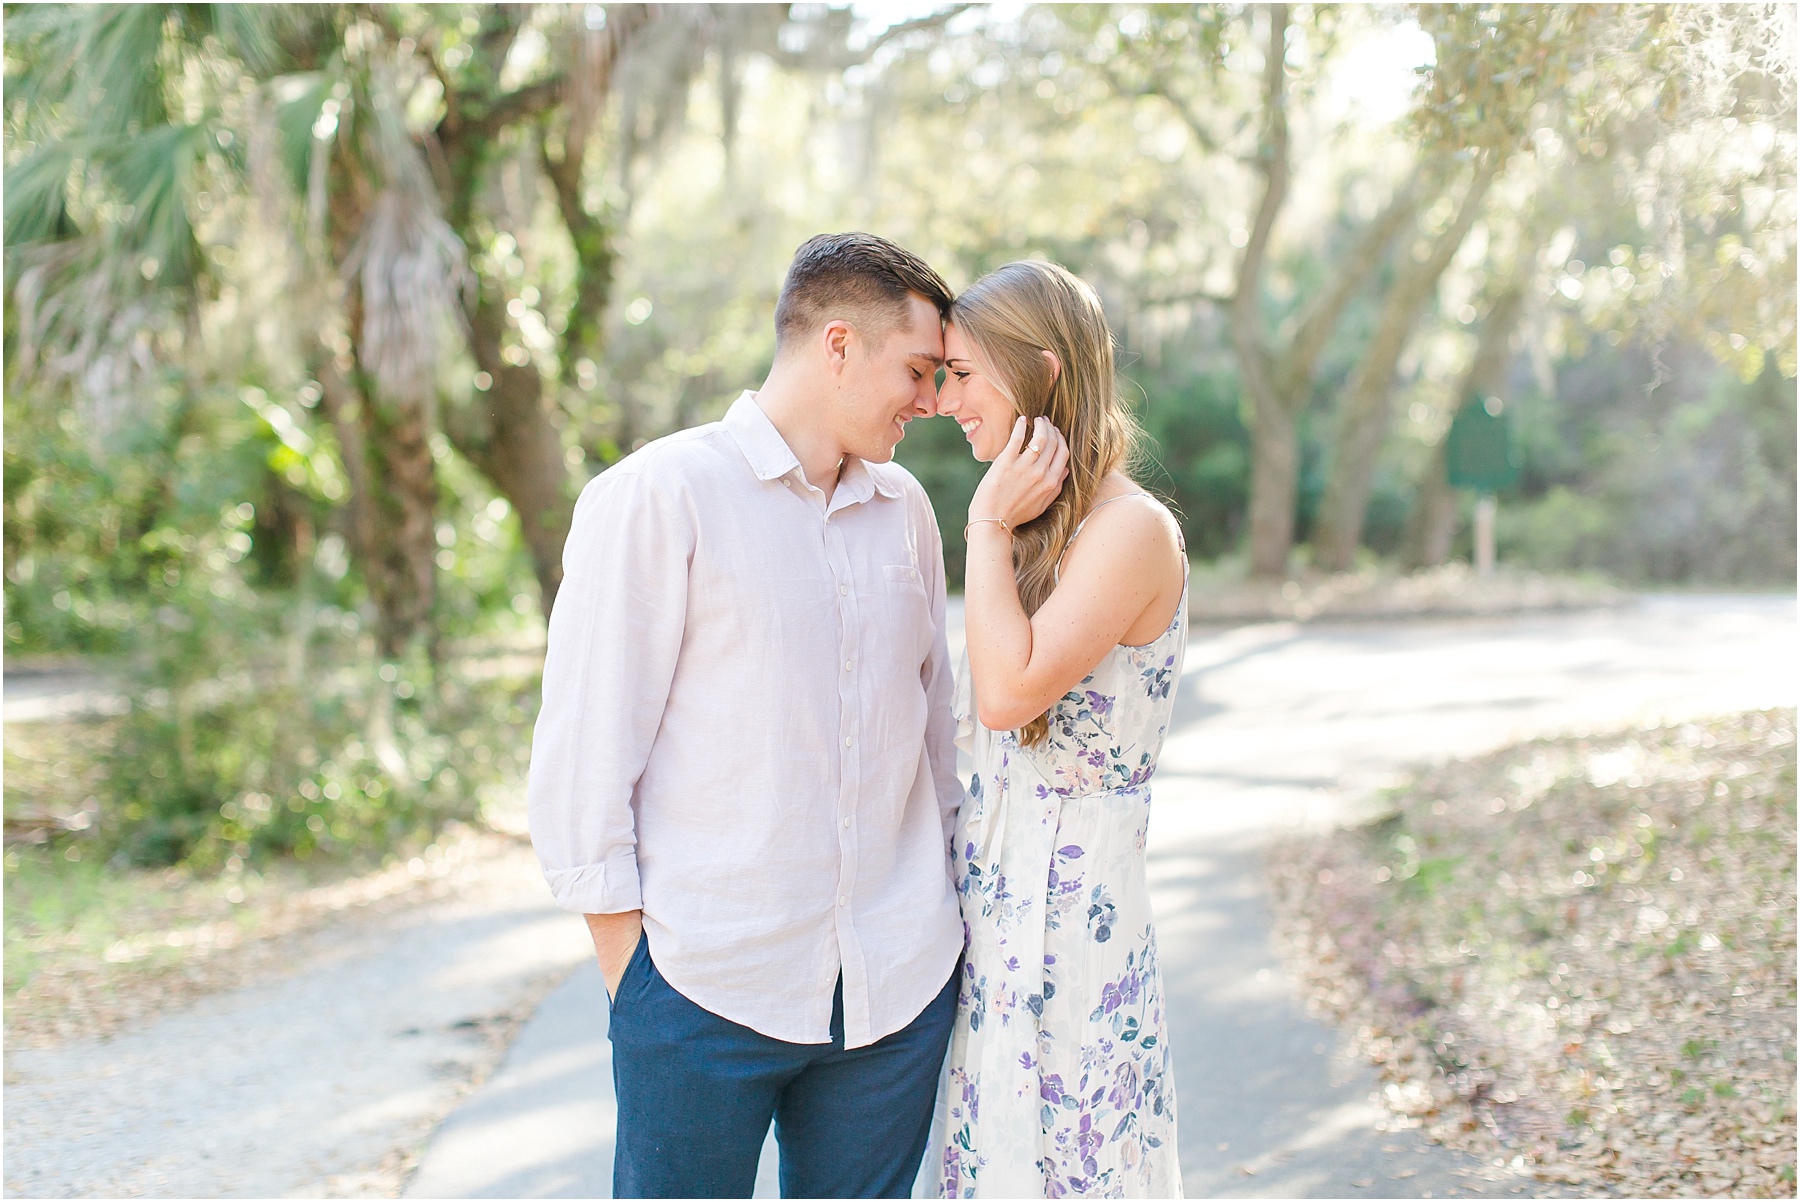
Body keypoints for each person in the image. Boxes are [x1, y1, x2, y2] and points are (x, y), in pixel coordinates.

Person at [526, 232, 966, 1198]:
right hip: (701, 987)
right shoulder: (656, 496)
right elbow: (587, 754)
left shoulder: (908, 511)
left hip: (895, 989)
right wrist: (633, 978)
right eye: (920, 371)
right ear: (838, 344)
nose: (933, 402)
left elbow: (936, 738)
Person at [922, 260, 1188, 1197]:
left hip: (1076, 923)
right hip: (997, 912)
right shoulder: (1044, 527)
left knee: (1077, 1166)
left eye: (962, 372)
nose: (943, 397)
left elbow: (1008, 695)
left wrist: (985, 528)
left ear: (1042, 370)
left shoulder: (1130, 532)